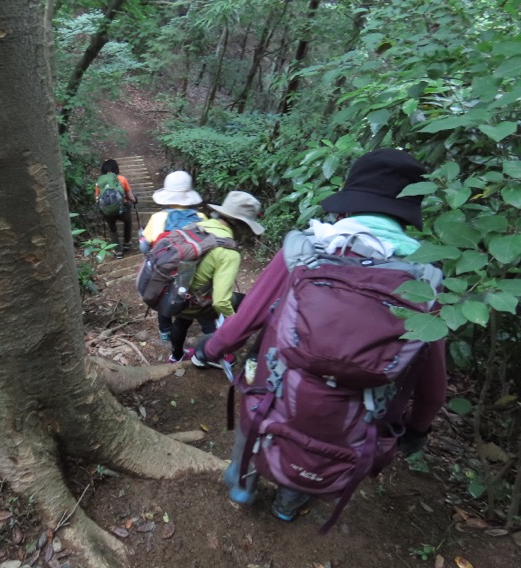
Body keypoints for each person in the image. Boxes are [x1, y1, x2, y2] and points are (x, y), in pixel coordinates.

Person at [193, 148, 447, 523]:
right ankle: (286, 506)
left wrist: (211, 347)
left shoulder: (308, 249)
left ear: (347, 204)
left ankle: (241, 485)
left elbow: (248, 317)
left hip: (278, 390)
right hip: (358, 410)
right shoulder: (425, 278)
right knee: (324, 447)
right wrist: (418, 428)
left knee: (257, 421)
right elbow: (432, 377)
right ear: (407, 214)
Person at [167, 191, 264, 365]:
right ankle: (214, 355)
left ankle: (176, 355)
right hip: (194, 301)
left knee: (183, 319)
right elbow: (220, 302)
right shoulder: (228, 253)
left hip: (174, 295)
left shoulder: (198, 226)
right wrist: (234, 324)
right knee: (241, 301)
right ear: (240, 224)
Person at [139, 170, 208, 342]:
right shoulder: (201, 217)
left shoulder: (158, 218)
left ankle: (166, 334)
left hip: (166, 271)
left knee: (162, 296)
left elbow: (144, 246)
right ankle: (209, 333)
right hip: (195, 270)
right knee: (200, 297)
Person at [95, 159, 137, 259]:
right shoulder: (122, 179)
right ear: (116, 168)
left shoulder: (99, 181)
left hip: (108, 210)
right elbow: (130, 196)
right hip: (123, 207)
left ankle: (117, 251)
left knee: (112, 229)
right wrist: (134, 200)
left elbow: (97, 198)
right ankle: (126, 243)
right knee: (127, 222)